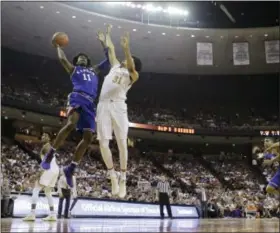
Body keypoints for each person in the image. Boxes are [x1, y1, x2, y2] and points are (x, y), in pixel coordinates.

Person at [40, 32, 110, 187]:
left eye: (84, 57)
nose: (82, 58)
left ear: (88, 61)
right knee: (71, 124)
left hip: (90, 103)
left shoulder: (94, 70)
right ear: (77, 61)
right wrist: (58, 46)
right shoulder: (73, 69)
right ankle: (50, 154)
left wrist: (104, 43)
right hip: (77, 97)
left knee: (88, 138)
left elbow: (110, 60)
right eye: (79, 57)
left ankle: (71, 168)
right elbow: (62, 59)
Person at [96, 24, 142, 198]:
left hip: (118, 106)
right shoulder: (115, 66)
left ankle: (123, 177)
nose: (124, 59)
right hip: (103, 105)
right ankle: (112, 175)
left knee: (122, 143)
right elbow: (110, 50)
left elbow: (130, 64)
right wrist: (105, 38)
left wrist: (127, 48)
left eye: (129, 59)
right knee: (103, 143)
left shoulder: (133, 75)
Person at [23, 133, 59, 221]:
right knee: (48, 192)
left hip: (49, 168)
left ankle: (32, 214)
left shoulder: (46, 146)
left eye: (45, 136)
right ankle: (52, 215)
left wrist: (40, 171)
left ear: (49, 138)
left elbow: (47, 160)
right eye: (42, 136)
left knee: (36, 189)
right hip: (55, 169)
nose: (43, 137)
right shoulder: (50, 147)